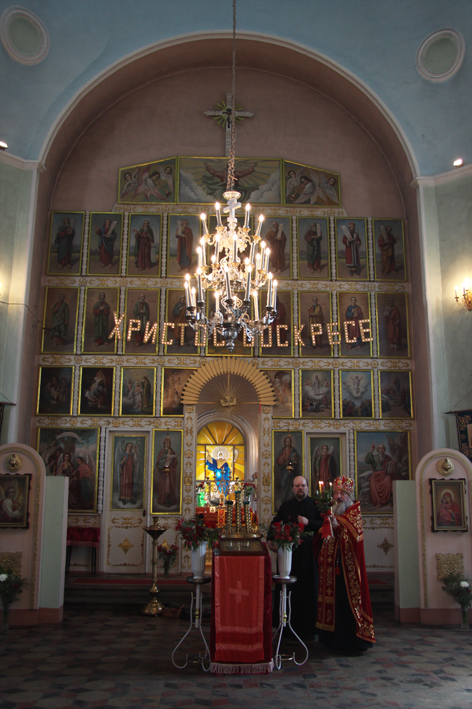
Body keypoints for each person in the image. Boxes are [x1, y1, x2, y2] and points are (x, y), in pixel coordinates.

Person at [317, 475, 375, 652]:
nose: (338, 497)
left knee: (347, 604)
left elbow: (354, 536)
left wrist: (338, 527)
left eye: (342, 493)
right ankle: (331, 639)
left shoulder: (354, 512)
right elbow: (324, 535)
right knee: (335, 602)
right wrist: (327, 528)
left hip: (348, 570)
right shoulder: (333, 512)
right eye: (336, 493)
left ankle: (351, 641)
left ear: (349, 495)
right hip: (333, 568)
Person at [272, 476, 323, 641]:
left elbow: (323, 524)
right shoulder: (286, 506)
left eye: (303, 485)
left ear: (307, 487)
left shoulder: (315, 505)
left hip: (309, 555)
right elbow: (275, 524)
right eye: (297, 486)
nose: (300, 488)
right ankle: (286, 627)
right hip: (290, 555)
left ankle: (310, 628)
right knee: (290, 590)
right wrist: (271, 539)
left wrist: (309, 522)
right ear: (293, 488)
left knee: (309, 589)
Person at [364, 442, 395, 508]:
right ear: (377, 450)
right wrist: (372, 450)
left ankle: (389, 501)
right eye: (379, 448)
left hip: (385, 474)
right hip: (376, 475)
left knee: (388, 479)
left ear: (384, 449)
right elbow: (367, 460)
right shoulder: (374, 457)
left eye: (382, 448)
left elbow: (392, 466)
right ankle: (378, 502)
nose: (381, 450)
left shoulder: (387, 457)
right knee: (372, 481)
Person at [276, 434, 301, 505]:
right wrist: (283, 457)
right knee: (284, 486)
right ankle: (284, 501)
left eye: (289, 441)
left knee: (291, 487)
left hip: (292, 472)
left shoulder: (293, 450)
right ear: (284, 442)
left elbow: (297, 458)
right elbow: (279, 462)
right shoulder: (282, 450)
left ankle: (291, 501)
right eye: (286, 441)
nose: (288, 443)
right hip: (284, 472)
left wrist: (294, 460)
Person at [154, 436, 178, 508]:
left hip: (170, 473)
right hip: (163, 472)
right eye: (165, 443)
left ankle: (169, 499)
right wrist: (165, 461)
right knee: (164, 485)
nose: (167, 445)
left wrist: (172, 461)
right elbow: (158, 463)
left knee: (169, 485)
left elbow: (175, 462)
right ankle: (163, 498)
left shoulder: (172, 452)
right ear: (164, 444)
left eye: (168, 443)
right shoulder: (162, 452)